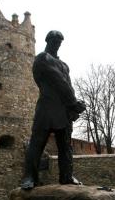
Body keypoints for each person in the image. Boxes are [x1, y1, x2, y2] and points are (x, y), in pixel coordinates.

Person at [21, 30, 86, 190]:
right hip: (47, 107)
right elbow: (58, 81)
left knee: (65, 146)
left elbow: (68, 85)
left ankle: (66, 176)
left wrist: (75, 105)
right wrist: (73, 102)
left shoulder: (64, 65)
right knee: (37, 143)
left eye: (59, 42)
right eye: (54, 41)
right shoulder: (42, 59)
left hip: (63, 110)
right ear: (48, 41)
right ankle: (30, 176)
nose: (56, 44)